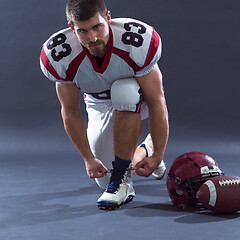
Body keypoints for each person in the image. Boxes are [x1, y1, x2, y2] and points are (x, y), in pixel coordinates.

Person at [40, 0, 169, 210]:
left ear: (108, 18)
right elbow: (70, 112)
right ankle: (143, 149)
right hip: (98, 102)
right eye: (82, 31)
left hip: (138, 96)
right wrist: (88, 159)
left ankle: (122, 182)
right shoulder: (60, 55)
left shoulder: (135, 40)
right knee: (102, 178)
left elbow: (156, 102)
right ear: (72, 27)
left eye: (97, 26)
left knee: (123, 91)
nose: (92, 38)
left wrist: (159, 155)